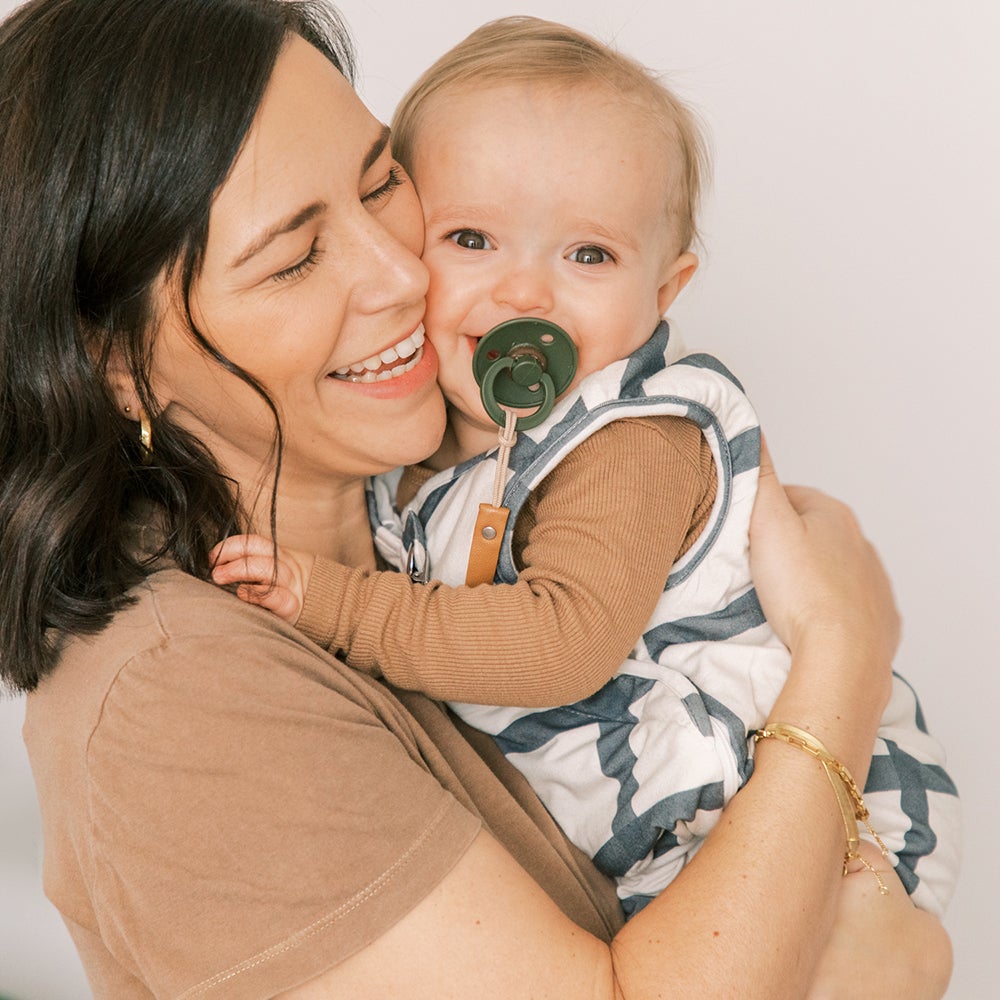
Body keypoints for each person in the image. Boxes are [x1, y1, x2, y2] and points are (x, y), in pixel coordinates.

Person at [0, 0, 951, 997]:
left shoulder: (449, 511)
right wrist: (843, 654)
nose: (402, 271)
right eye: (293, 258)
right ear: (115, 365)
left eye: (384, 185)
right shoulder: (176, 692)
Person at [212, 17, 960, 918]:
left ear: (664, 292)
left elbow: (559, 646)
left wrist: (329, 601)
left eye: (588, 255)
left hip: (812, 829)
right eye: (472, 240)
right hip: (669, 843)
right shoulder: (410, 446)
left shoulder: (628, 440)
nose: (526, 293)